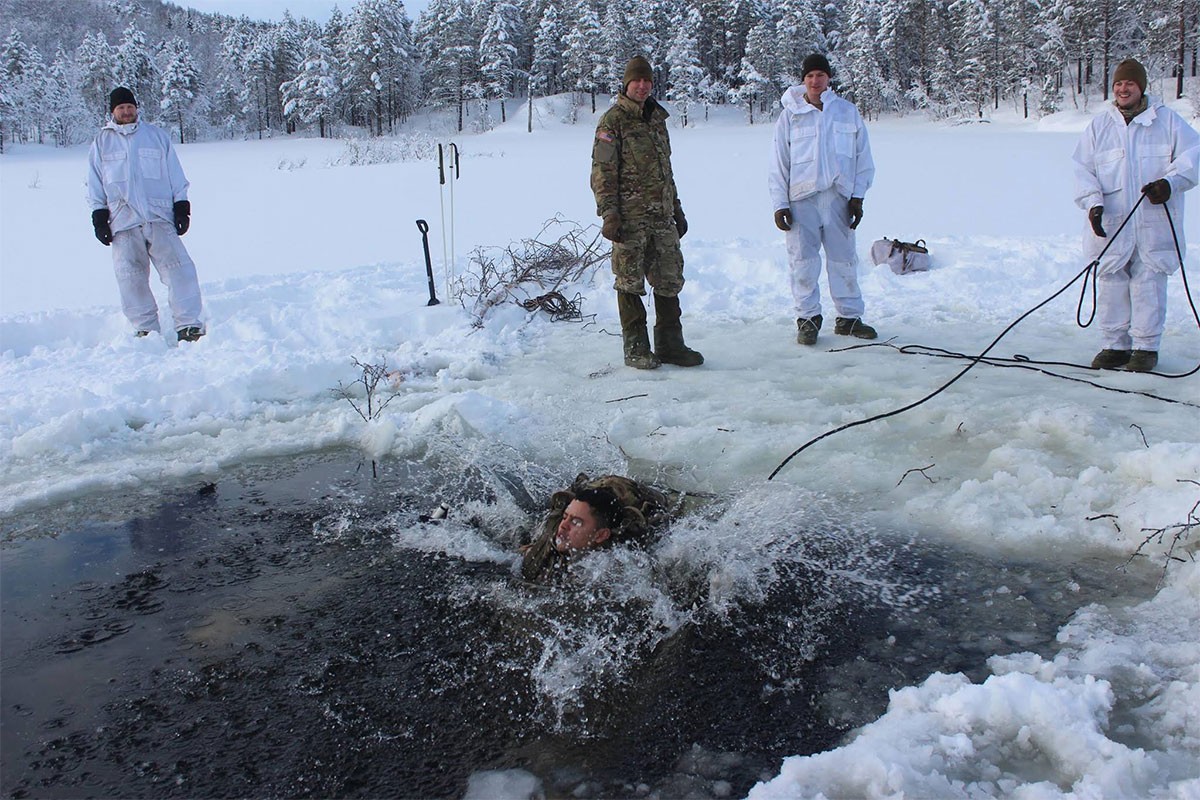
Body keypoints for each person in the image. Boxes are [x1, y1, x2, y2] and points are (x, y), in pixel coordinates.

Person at [1073, 58, 1199, 373]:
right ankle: (1115, 346)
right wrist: (1092, 204)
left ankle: (1145, 348)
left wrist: (1170, 184)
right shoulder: (1099, 127)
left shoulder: (1168, 122)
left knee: (1149, 280)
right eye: (1118, 83)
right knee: (1112, 279)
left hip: (1154, 221)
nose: (1123, 88)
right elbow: (1082, 170)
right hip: (1112, 223)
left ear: (1141, 86)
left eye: (1129, 83)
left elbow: (1192, 158)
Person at [591, 56, 703, 370]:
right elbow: (602, 172)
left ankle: (670, 344)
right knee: (629, 281)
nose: (641, 86)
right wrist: (610, 214)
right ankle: (636, 347)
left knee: (669, 279)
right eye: (636, 81)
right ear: (626, 84)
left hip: (662, 217)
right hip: (630, 219)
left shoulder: (657, 120)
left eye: (646, 81)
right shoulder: (612, 122)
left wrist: (677, 210)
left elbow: (666, 172)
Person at [768, 53, 877, 346]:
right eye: (810, 76)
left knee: (844, 260)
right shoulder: (790, 115)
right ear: (803, 80)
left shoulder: (846, 112)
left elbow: (862, 157)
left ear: (829, 78)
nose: (815, 81)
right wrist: (780, 204)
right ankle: (807, 319)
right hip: (801, 199)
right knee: (803, 262)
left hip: (838, 198)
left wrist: (858, 197)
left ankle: (849, 318)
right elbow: (779, 163)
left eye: (820, 75)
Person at [87, 87, 205, 342]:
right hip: (123, 219)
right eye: (121, 108)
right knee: (131, 277)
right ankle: (145, 329)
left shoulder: (155, 136)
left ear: (136, 108)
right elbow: (95, 183)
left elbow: (175, 173)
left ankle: (188, 325)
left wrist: (181, 205)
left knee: (180, 270)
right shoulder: (101, 143)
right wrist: (99, 216)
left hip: (158, 216)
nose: (126, 112)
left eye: (130, 107)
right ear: (113, 111)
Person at [520, 473, 674, 583]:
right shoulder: (550, 538)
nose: (564, 526)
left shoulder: (623, 559)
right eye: (565, 517)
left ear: (600, 535)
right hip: (595, 489)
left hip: (634, 497)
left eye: (576, 522)